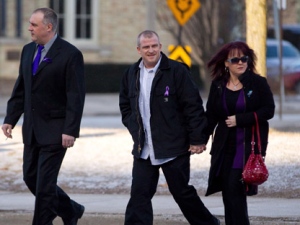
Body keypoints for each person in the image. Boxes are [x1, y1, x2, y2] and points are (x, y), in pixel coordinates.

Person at [119, 30, 220, 225]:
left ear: (160, 47)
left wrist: (197, 138)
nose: (151, 50)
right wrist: (133, 127)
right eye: (146, 47)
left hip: (174, 146)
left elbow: (193, 106)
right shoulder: (131, 73)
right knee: (139, 194)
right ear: (138, 49)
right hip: (144, 148)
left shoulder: (177, 71)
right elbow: (125, 106)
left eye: (154, 46)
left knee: (181, 192)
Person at [1, 8, 85, 225]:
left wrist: (70, 130)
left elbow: (75, 96)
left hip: (57, 131)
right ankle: (71, 210)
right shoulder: (28, 50)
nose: (29, 28)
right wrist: (11, 117)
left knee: (45, 186)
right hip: (31, 129)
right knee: (31, 178)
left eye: (34, 24)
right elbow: (22, 88)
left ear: (48, 27)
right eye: (30, 23)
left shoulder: (71, 54)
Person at [204, 41, 275, 225]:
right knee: (228, 192)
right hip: (224, 147)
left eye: (244, 58)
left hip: (246, 147)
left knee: (235, 189)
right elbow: (211, 116)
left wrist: (241, 119)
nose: (240, 62)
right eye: (235, 59)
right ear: (226, 63)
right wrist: (199, 140)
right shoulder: (218, 85)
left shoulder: (258, 83)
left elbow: (269, 110)